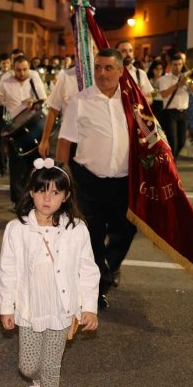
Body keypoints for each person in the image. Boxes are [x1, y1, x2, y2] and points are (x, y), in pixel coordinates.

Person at [0, 157, 99, 387]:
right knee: (28, 367)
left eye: (55, 193)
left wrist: (88, 307)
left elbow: (87, 269)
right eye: (41, 191)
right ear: (31, 192)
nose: (47, 198)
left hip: (61, 311)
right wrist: (7, 307)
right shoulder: (16, 229)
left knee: (52, 367)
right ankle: (39, 383)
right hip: (28, 310)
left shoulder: (76, 228)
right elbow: (8, 270)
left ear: (66, 196)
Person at [57, 48, 137, 310]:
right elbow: (65, 142)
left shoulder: (132, 102)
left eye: (109, 68)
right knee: (92, 235)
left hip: (123, 182)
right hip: (87, 180)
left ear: (121, 71)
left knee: (126, 230)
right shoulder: (80, 101)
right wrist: (61, 177)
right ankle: (99, 286)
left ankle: (108, 267)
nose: (102, 73)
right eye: (99, 68)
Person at [0, 55, 47, 206]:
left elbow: (43, 99)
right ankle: (18, 201)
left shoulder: (34, 77)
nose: (22, 73)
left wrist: (34, 102)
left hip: (33, 126)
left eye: (25, 69)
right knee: (16, 166)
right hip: (15, 128)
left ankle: (34, 198)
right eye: (18, 70)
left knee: (35, 164)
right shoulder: (5, 81)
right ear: (13, 69)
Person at [155, 53, 190, 158]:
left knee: (182, 141)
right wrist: (177, 85)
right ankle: (172, 163)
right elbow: (163, 94)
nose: (178, 67)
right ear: (170, 65)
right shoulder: (163, 79)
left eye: (180, 64)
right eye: (175, 64)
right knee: (172, 141)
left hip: (183, 112)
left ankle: (172, 160)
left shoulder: (186, 78)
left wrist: (190, 82)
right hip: (170, 113)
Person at [39, 66, 78, 159]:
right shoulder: (66, 76)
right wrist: (44, 140)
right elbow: (53, 109)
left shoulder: (102, 76)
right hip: (69, 140)